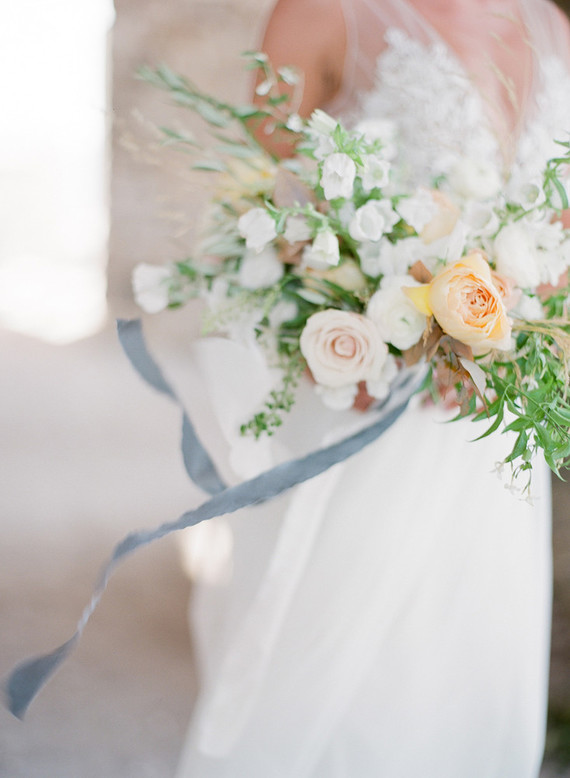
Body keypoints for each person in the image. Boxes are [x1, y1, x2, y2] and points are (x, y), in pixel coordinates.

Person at [176, 1, 570, 776]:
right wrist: (359, 317)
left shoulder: (552, 28)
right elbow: (250, 203)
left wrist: (528, 330)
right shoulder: (321, 12)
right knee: (347, 672)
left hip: (497, 424)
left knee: (474, 662)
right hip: (367, 401)